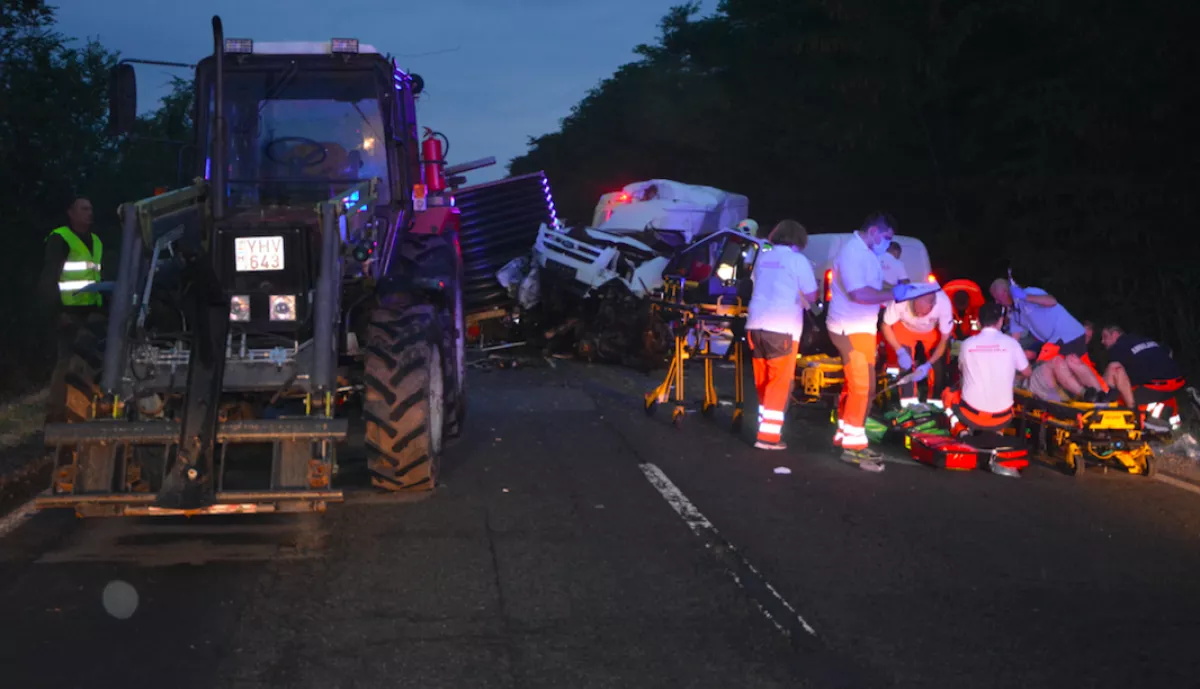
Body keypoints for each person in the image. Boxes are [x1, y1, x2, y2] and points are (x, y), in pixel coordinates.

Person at [827, 212, 901, 472]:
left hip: (862, 327)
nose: (887, 243)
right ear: (874, 231)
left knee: (859, 386)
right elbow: (859, 293)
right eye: (886, 237)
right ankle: (854, 446)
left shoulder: (869, 254)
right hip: (849, 327)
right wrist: (894, 293)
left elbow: (871, 289)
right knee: (862, 386)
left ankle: (846, 433)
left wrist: (895, 289)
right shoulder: (852, 254)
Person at [745, 220, 818, 450]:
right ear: (799, 241)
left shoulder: (763, 257)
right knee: (778, 383)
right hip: (782, 328)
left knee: (763, 381)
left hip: (755, 326)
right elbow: (812, 296)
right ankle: (768, 437)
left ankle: (764, 427)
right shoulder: (798, 260)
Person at [39, 196, 104, 423]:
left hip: (91, 311)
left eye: (91, 208)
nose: (89, 213)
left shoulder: (96, 240)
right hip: (69, 312)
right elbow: (49, 279)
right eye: (84, 209)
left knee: (90, 362)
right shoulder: (60, 239)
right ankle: (55, 414)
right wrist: (58, 312)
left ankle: (83, 411)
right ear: (71, 213)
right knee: (66, 361)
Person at [989, 277, 1107, 400]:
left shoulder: (1029, 292)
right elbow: (1014, 342)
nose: (997, 302)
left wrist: (1025, 296)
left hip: (1065, 334)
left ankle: (1076, 395)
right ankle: (1102, 393)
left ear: (1004, 292)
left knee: (1045, 366)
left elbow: (1052, 301)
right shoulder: (1015, 313)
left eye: (997, 298)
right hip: (1065, 337)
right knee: (1076, 363)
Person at [942, 302, 1030, 437]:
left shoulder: (967, 344)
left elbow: (962, 370)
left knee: (947, 395)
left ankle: (962, 431)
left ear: (978, 321)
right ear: (1000, 321)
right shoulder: (1012, 344)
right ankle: (997, 433)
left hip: (970, 415)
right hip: (1002, 417)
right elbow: (1027, 372)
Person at [880, 286, 955, 408]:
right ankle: (908, 404)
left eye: (924, 312)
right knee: (906, 367)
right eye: (917, 311)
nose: (919, 315)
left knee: (938, 368)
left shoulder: (943, 303)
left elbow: (944, 338)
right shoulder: (901, 300)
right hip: (904, 328)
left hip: (931, 331)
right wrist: (899, 351)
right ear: (913, 300)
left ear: (933, 305)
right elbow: (885, 326)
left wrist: (928, 364)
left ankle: (935, 404)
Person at [1099, 325, 1186, 416]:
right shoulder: (1144, 339)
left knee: (1114, 370)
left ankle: (1132, 412)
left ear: (1115, 334)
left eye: (1105, 337)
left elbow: (1116, 373)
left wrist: (1110, 396)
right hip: (1178, 385)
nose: (1102, 341)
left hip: (1154, 388)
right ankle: (1164, 409)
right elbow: (1168, 351)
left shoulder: (1118, 347)